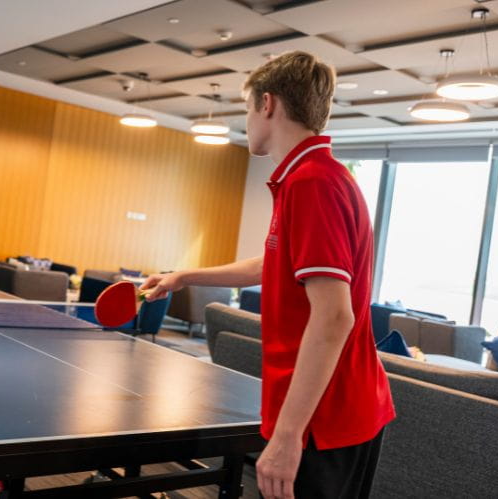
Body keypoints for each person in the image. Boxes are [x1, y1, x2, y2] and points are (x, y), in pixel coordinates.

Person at [141, 51, 394, 499]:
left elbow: (335, 317)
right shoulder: (310, 176)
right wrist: (184, 276)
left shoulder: (312, 182)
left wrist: (288, 435)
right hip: (329, 410)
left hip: (324, 418)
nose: (247, 120)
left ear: (267, 104)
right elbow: (271, 264)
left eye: (246, 107)